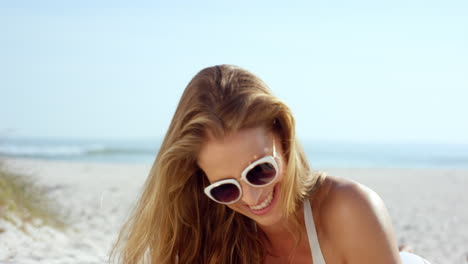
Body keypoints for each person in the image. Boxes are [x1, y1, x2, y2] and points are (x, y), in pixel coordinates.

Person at [111, 65, 431, 263]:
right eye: (225, 189)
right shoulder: (212, 242)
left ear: (282, 133)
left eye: (260, 170)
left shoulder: (349, 210)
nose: (251, 198)